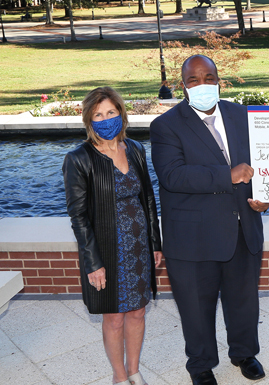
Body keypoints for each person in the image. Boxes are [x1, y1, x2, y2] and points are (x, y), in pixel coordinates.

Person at [150, 55, 269, 385]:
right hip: (193, 237)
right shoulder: (165, 126)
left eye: (209, 77)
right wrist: (227, 175)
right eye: (193, 80)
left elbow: (262, 164)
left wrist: (264, 196)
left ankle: (244, 353)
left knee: (243, 301)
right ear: (183, 86)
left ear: (219, 80)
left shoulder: (241, 115)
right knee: (196, 308)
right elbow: (173, 175)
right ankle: (200, 365)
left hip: (243, 228)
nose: (202, 84)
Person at [63, 87, 163, 385]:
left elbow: (148, 198)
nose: (105, 119)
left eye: (110, 112)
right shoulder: (78, 159)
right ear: (89, 121)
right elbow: (78, 217)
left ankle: (134, 369)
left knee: (137, 312)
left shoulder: (134, 148)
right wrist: (92, 262)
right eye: (98, 115)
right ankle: (119, 376)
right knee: (114, 316)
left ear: (121, 113)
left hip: (139, 248)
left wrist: (155, 244)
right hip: (107, 250)